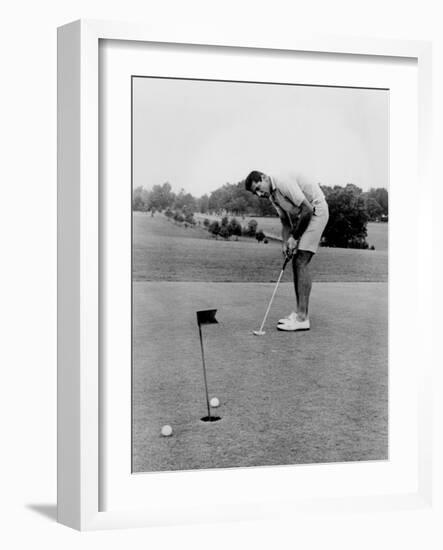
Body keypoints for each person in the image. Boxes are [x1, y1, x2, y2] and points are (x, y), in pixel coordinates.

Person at [244, 171, 329, 331]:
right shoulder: (272, 196)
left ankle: (303, 318)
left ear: (263, 178)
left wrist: (294, 238)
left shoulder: (282, 182)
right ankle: (299, 312)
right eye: (255, 192)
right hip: (308, 215)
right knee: (296, 259)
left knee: (301, 259)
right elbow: (285, 221)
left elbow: (307, 210)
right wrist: (285, 242)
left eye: (258, 187)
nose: (259, 193)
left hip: (317, 211)